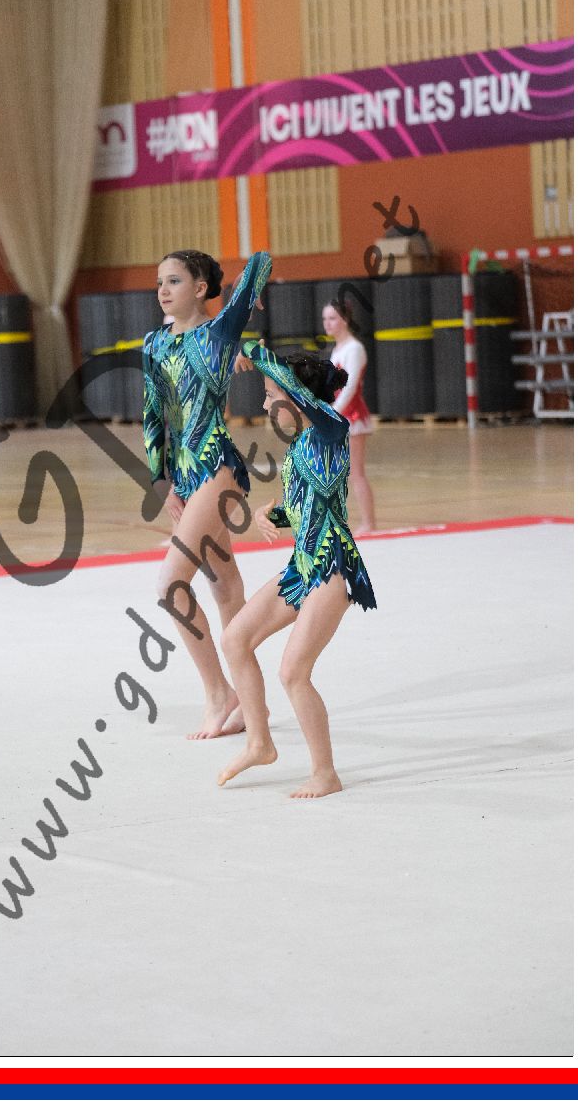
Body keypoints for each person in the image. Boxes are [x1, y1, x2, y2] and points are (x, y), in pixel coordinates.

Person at [218, 342, 376, 798]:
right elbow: (307, 507)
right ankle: (259, 742)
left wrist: (248, 349)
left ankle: (325, 773)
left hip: (331, 567)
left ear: (295, 396)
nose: (266, 404)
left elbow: (292, 385)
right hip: (302, 567)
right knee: (235, 639)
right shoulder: (302, 445)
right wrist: (271, 515)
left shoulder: (330, 429)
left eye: (271, 395)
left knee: (293, 672)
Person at [143, 249, 272, 739]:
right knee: (224, 586)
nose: (163, 290)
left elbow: (260, 260)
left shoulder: (218, 334)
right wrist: (160, 481)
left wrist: (250, 291)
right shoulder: (154, 344)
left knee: (170, 585)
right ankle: (248, 703)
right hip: (183, 476)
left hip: (217, 467)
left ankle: (220, 694)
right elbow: (152, 415)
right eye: (160, 282)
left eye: (174, 280)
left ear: (200, 288)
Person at [321, 296, 376, 535]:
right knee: (343, 473)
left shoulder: (354, 348)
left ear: (344, 320)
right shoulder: (338, 349)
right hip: (341, 415)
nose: (327, 323)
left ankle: (369, 523)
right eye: (325, 319)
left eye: (332, 318)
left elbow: (350, 386)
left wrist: (333, 413)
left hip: (352, 417)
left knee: (356, 472)